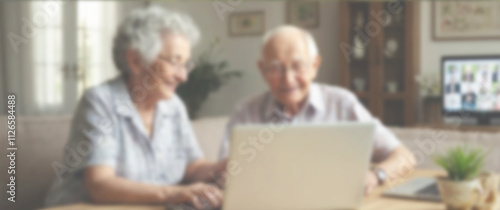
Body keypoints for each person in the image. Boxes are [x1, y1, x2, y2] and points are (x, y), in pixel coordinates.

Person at [45, 6, 225, 209]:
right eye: (174, 62)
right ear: (136, 60)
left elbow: (193, 166)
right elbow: (100, 184)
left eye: (185, 65)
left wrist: (221, 168)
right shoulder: (100, 102)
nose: (182, 76)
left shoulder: (173, 107)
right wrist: (174, 193)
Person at [218, 25, 416, 195]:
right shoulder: (245, 111)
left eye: (298, 66)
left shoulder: (342, 103)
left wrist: (375, 176)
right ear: (262, 70)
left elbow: (404, 157)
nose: (288, 79)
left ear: (315, 65)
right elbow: (225, 175)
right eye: (276, 68)